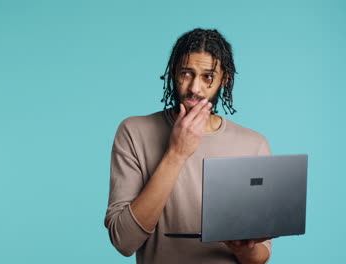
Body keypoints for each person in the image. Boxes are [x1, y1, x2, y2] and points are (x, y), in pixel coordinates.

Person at [104, 28, 273, 264]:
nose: (194, 88)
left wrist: (242, 249)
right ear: (174, 74)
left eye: (207, 77)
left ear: (224, 79)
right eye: (186, 73)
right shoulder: (134, 132)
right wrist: (176, 153)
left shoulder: (253, 144)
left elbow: (259, 256)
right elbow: (124, 241)